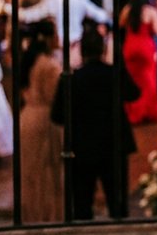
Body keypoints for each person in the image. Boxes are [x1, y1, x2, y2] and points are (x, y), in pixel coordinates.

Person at [50, 28, 139, 220]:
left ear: (82, 51)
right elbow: (134, 93)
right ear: (102, 49)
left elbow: (57, 116)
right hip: (113, 144)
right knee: (118, 203)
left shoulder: (72, 79)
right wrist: (119, 63)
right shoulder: (113, 74)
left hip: (82, 146)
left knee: (82, 204)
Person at [19, 19, 64, 222]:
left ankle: (31, 214)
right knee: (46, 172)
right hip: (44, 119)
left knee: (30, 173)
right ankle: (47, 215)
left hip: (27, 116)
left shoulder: (29, 60)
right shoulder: (49, 65)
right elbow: (56, 97)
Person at [120, 0, 157, 124]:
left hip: (130, 46)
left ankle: (133, 112)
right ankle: (147, 112)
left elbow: (120, 24)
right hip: (145, 48)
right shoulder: (150, 11)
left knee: (132, 80)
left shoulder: (127, 10)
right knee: (149, 80)